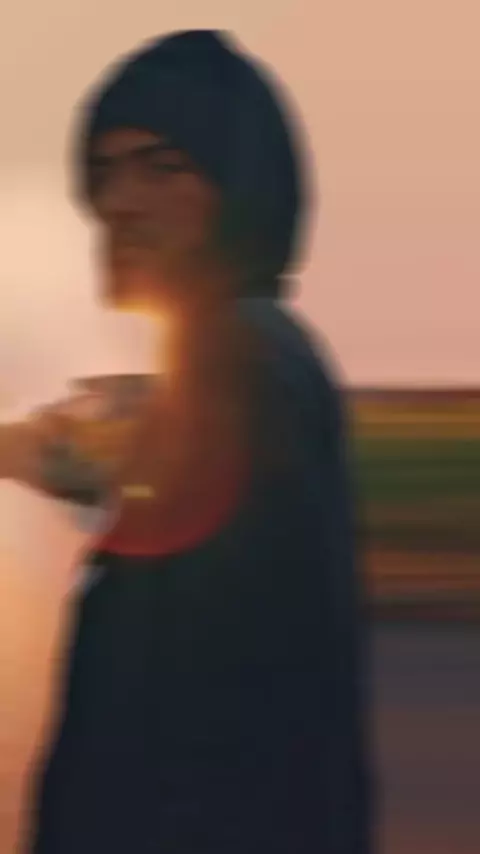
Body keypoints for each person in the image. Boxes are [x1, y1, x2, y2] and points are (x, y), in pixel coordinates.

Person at [0, 30, 372, 854]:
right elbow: (121, 456)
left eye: (162, 168)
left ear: (243, 189)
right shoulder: (243, 355)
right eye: (104, 173)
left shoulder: (238, 359)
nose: (119, 203)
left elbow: (201, 719)